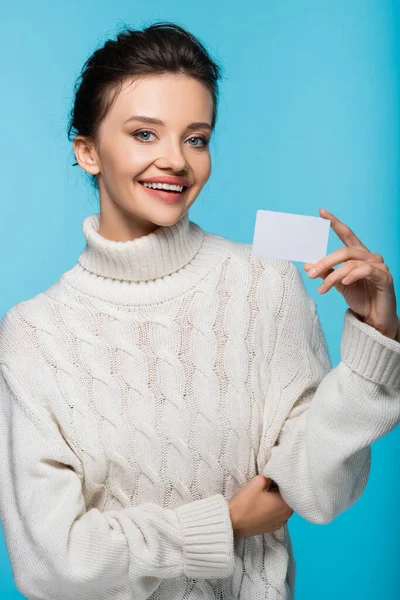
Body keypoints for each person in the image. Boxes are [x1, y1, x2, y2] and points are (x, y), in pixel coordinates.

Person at [0, 21, 399, 600]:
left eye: (196, 138)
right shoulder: (36, 333)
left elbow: (319, 490)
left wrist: (372, 341)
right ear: (87, 152)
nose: (176, 161)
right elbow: (53, 565)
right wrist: (222, 525)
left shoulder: (264, 280)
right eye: (144, 134)